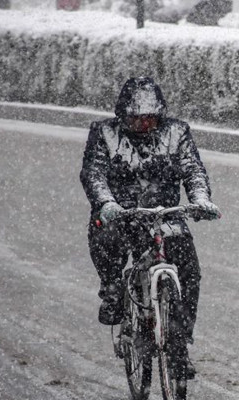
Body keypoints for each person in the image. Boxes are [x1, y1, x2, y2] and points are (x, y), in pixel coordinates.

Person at [79, 76, 220, 373]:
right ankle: (114, 289)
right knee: (105, 236)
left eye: (150, 118)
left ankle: (179, 341)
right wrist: (108, 205)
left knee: (189, 271)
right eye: (136, 118)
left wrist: (201, 200)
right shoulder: (104, 133)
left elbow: (192, 169)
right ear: (123, 114)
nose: (144, 124)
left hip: (165, 215)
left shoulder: (177, 132)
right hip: (123, 215)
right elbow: (94, 174)